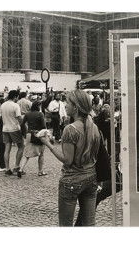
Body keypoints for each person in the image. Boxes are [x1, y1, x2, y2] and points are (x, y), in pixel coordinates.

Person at [38, 89, 101, 227]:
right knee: (90, 223)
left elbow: (67, 160)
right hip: (91, 178)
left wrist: (48, 143)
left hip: (72, 180)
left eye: (68, 103)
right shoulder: (94, 127)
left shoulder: (70, 129)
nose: (65, 105)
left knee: (65, 225)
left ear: (76, 107)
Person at [17, 100, 47, 178]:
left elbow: (22, 124)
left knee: (26, 154)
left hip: (29, 134)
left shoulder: (27, 114)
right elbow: (43, 126)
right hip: (38, 134)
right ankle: (40, 171)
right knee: (41, 153)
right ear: (38, 106)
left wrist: (24, 133)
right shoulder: (40, 114)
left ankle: (21, 169)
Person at [0, 90, 25, 176]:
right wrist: (24, 127)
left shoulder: (3, 105)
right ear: (15, 97)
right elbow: (19, 118)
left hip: (5, 129)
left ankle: (7, 168)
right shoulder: (15, 105)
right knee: (21, 146)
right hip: (14, 129)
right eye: (17, 97)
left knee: (7, 149)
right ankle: (17, 166)